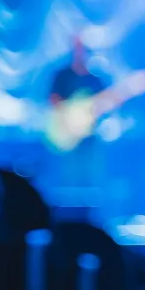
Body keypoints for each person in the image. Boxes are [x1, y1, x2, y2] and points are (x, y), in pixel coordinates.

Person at [47, 34, 110, 202]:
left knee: (90, 176)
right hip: (66, 134)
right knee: (69, 177)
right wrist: (69, 118)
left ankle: (89, 215)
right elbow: (53, 99)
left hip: (89, 137)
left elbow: (103, 106)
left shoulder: (95, 80)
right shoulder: (62, 76)